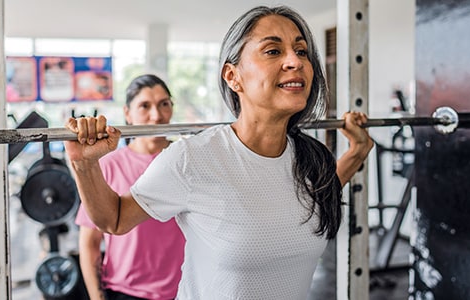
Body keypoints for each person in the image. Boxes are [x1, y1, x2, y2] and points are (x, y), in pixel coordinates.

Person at [64, 5, 374, 300]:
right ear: (232, 76)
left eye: (301, 51)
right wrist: (84, 165)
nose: (295, 61)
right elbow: (114, 220)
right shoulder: (192, 158)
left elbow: (316, 195)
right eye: (273, 50)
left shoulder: (312, 162)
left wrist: (358, 150)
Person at [74, 74, 185, 300]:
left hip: (185, 291)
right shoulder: (107, 165)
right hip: (125, 292)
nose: (157, 116)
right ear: (128, 113)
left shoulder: (186, 162)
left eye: (164, 104)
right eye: (145, 106)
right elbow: (89, 243)